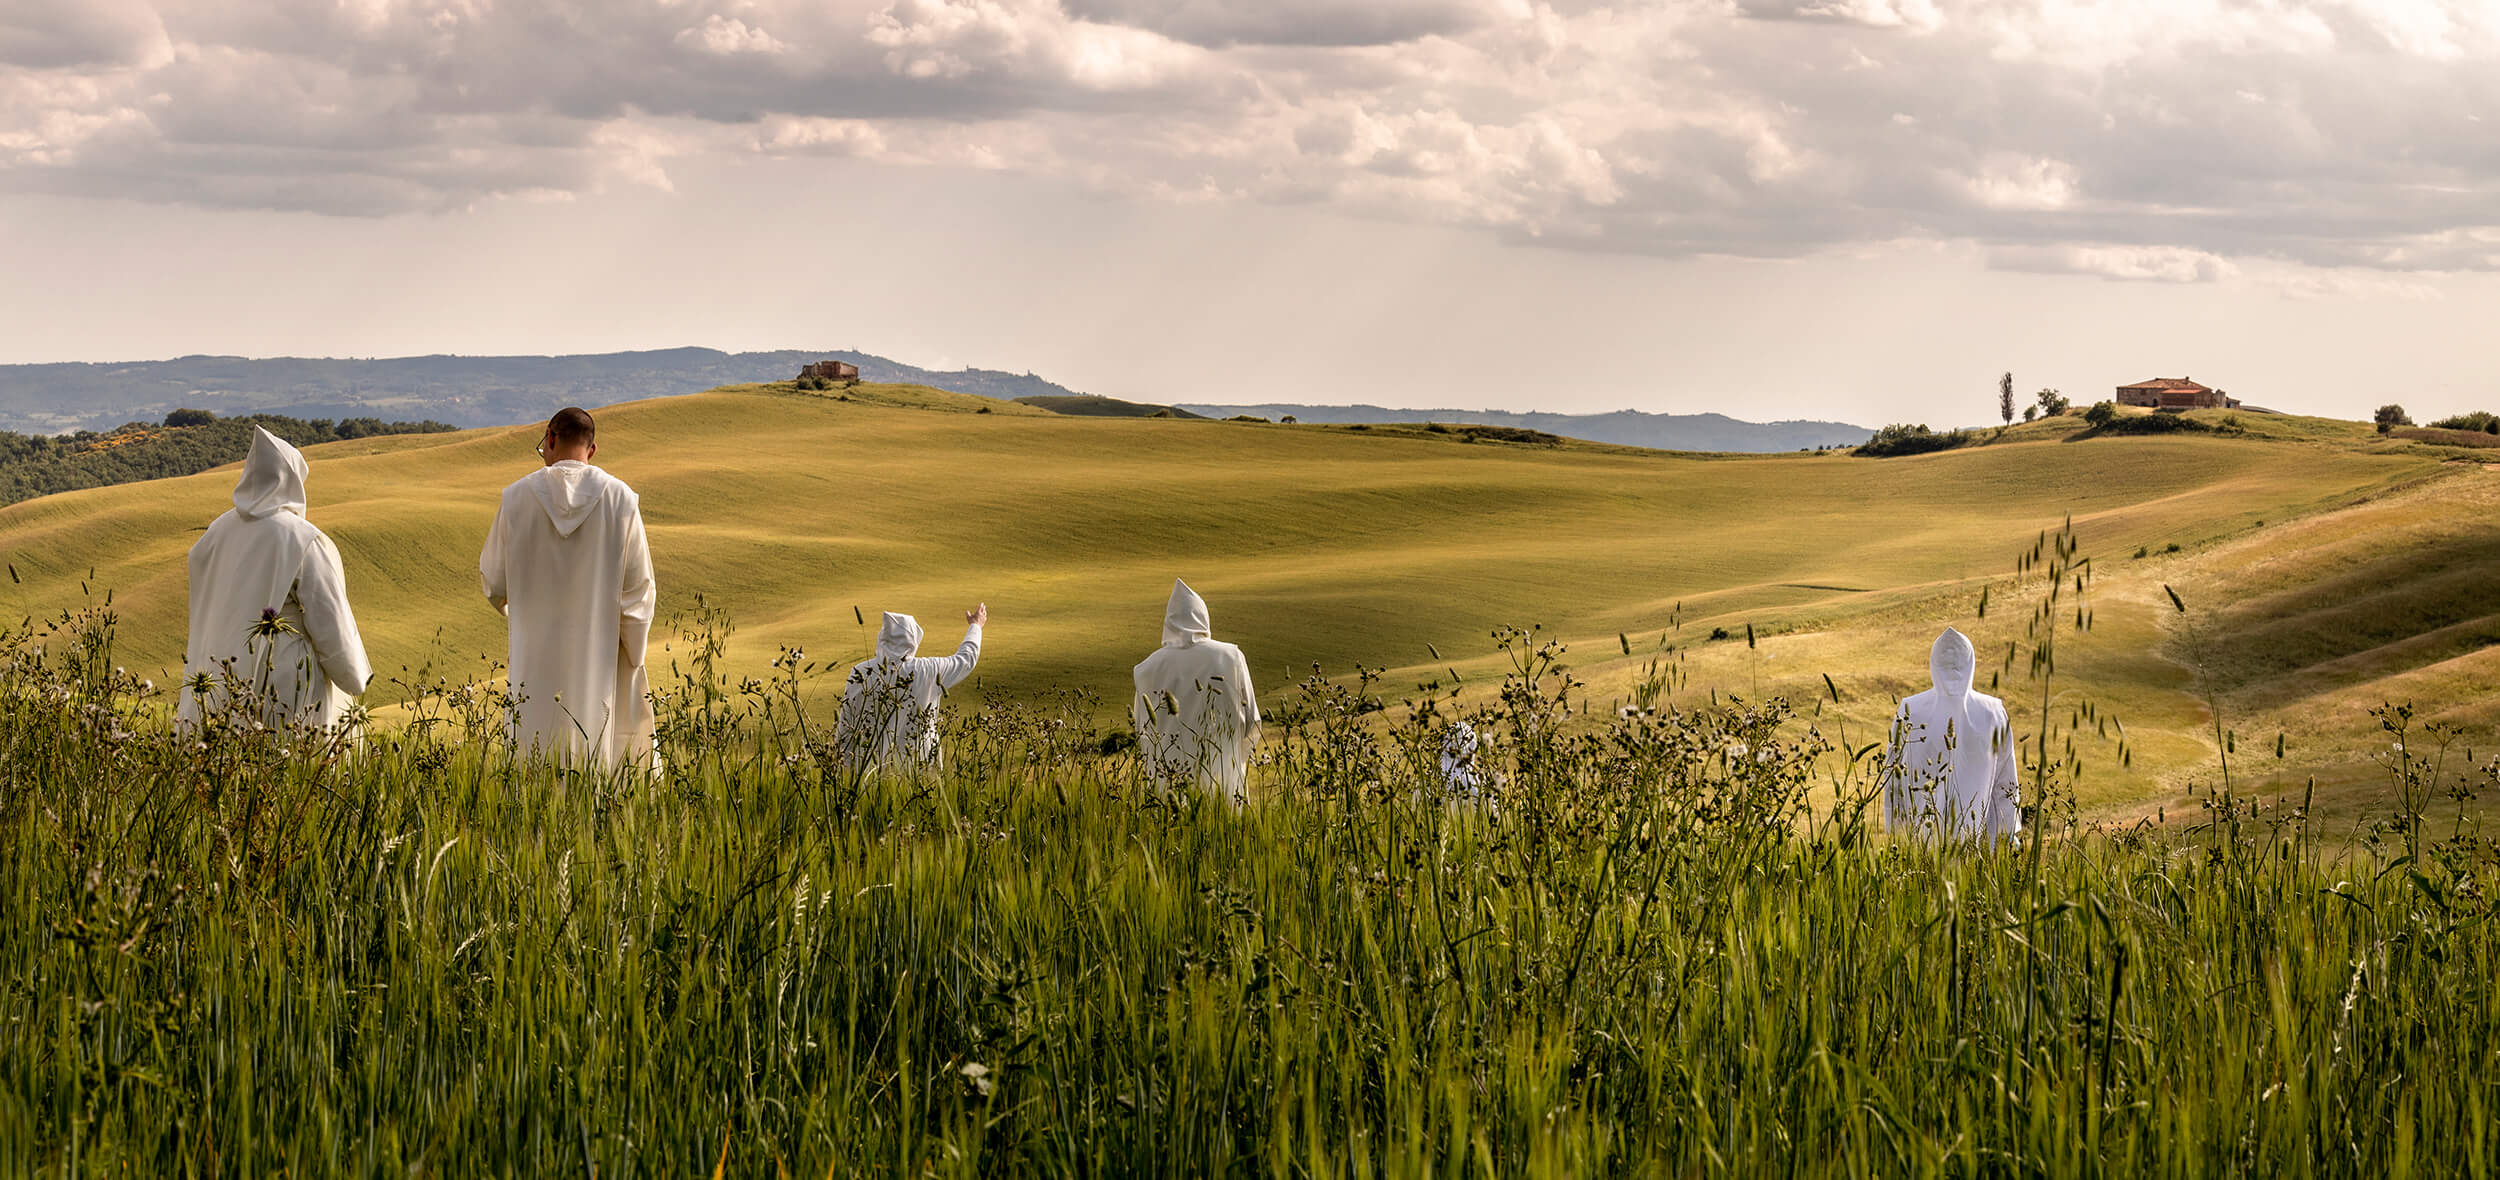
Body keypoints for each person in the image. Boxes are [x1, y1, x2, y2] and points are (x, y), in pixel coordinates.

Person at [478, 406, 657, 769]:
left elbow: (494, 581)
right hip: (599, 654)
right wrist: (629, 653)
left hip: (534, 653)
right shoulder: (621, 500)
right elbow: (638, 594)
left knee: (532, 750)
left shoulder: (515, 498)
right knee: (595, 752)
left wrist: (522, 617)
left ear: (550, 438)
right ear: (592, 450)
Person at [177, 426, 372, 731]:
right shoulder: (303, 539)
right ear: (294, 481)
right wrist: (355, 676)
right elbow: (330, 619)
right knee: (289, 769)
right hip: (287, 687)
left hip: (217, 685)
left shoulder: (215, 534)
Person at [1883, 627, 2021, 841]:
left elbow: (1893, 782)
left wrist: (1896, 835)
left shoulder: (1910, 710)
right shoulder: (1993, 712)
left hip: (1921, 845)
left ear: (1933, 663)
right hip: (1978, 848)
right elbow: (2005, 785)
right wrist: (2007, 837)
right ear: (1971, 663)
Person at [1132, 579, 1260, 801]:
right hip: (1224, 789)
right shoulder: (1231, 658)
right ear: (1204, 617)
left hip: (1166, 792)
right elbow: (1253, 722)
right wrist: (1233, 760)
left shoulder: (1146, 669)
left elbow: (1141, 730)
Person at [836, 606, 986, 774]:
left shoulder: (860, 671)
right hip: (920, 774)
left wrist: (841, 768)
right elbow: (966, 659)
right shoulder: (927, 670)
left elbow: (845, 725)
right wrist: (976, 626)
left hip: (868, 776)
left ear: (882, 638)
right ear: (913, 639)